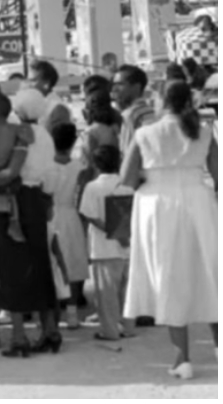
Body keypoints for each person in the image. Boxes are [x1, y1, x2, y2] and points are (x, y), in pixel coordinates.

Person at [121, 81, 218, 380]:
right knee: (209, 271)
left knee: (169, 273)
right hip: (198, 200)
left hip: (157, 204)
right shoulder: (203, 132)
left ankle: (182, 358)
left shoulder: (144, 133)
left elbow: (126, 177)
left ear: (161, 100)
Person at [0, 89, 64, 358]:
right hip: (38, 199)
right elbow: (52, 172)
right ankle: (50, 330)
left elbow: (9, 168)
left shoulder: (16, 132)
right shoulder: (45, 135)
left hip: (15, 198)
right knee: (40, 264)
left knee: (13, 268)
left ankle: (19, 336)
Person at [77, 144, 135, 342]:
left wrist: (113, 231)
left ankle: (110, 330)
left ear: (96, 164)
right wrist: (123, 235)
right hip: (129, 245)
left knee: (106, 293)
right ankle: (128, 326)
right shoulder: (127, 185)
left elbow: (90, 215)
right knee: (127, 290)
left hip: (103, 247)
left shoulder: (92, 187)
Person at [45, 122, 88, 330]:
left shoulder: (47, 166)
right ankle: (72, 312)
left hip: (51, 215)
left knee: (53, 263)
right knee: (72, 261)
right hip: (71, 215)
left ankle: (53, 312)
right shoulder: (79, 167)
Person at [113, 65, 156, 157]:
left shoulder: (131, 115)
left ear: (136, 87)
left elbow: (126, 154)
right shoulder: (151, 111)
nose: (115, 89)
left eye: (120, 84)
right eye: (114, 85)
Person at [29, 60, 73, 133]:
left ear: (47, 83)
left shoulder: (58, 109)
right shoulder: (35, 104)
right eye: (29, 80)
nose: (30, 85)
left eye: (34, 80)